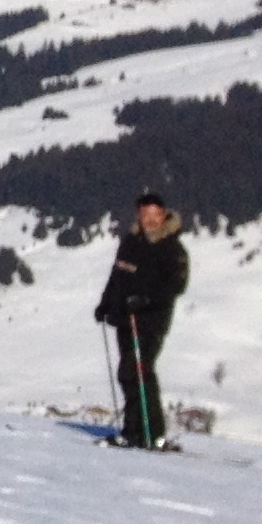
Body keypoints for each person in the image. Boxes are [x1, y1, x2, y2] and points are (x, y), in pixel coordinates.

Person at [95, 192, 190, 449]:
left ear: (163, 215)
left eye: (154, 215)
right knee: (128, 374)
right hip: (125, 318)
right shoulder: (131, 242)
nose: (149, 220)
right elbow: (117, 276)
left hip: (150, 321)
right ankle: (133, 430)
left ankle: (152, 433)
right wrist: (105, 304)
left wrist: (146, 300)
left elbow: (176, 285)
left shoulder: (172, 248)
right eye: (144, 214)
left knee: (139, 371)